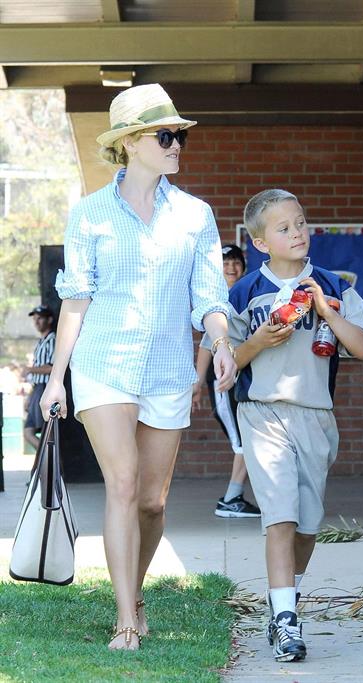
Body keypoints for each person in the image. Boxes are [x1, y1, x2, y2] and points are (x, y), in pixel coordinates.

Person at [40, 83, 237, 651]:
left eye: (179, 135)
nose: (178, 144)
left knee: (153, 500)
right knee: (122, 484)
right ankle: (126, 617)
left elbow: (209, 298)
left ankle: (137, 591)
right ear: (130, 142)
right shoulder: (90, 214)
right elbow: (75, 300)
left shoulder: (195, 216)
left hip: (170, 370)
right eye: (166, 135)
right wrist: (58, 379)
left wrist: (221, 343)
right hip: (105, 365)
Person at [223, 188, 363, 662]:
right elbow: (228, 364)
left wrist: (327, 311)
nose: (297, 233)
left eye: (301, 223)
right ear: (261, 243)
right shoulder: (244, 292)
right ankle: (287, 621)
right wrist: (259, 340)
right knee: (280, 515)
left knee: (307, 525)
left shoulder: (333, 284)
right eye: (284, 228)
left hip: (315, 415)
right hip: (262, 411)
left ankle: (283, 600)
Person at [193, 244, 261, 518]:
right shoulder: (215, 302)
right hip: (225, 379)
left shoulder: (246, 293)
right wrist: (198, 384)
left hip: (247, 377)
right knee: (245, 439)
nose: (231, 267)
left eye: (235, 262)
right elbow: (206, 345)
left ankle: (236, 496)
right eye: (225, 263)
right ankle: (231, 498)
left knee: (250, 437)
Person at [23, 305, 56, 451]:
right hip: (37, 389)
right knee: (28, 432)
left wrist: (29, 369)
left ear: (49, 319)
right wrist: (29, 396)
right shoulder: (40, 342)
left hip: (46, 389)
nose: (36, 322)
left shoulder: (52, 339)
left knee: (46, 433)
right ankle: (45, 462)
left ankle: (55, 468)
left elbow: (51, 368)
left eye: (40, 318)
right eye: (35, 319)